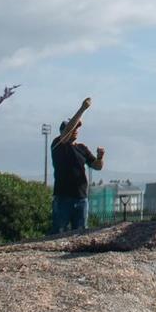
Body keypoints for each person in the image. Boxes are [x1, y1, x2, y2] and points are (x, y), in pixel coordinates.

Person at [50, 96, 104, 232]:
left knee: (80, 233)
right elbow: (67, 132)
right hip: (63, 198)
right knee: (58, 232)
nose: (75, 129)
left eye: (77, 128)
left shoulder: (82, 148)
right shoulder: (58, 144)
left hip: (81, 198)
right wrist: (82, 109)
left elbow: (97, 166)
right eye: (72, 127)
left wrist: (100, 157)